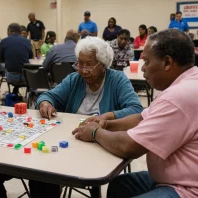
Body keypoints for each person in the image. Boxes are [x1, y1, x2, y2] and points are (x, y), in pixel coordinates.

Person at [73, 29, 198, 198]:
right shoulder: (187, 82)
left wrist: (95, 132)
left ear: (167, 63)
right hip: (178, 176)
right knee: (120, 184)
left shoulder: (178, 97)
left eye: (146, 61)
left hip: (187, 188)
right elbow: (141, 118)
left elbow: (129, 147)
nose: (143, 68)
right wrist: (107, 123)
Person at [37, 36, 142, 120]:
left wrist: (106, 117)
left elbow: (136, 109)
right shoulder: (74, 79)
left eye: (89, 65)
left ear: (103, 64)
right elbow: (48, 96)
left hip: (104, 136)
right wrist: (45, 103)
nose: (83, 70)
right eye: (80, 64)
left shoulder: (117, 80)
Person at [0, 23, 33, 94]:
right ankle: (21, 91)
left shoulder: (3, 41)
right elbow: (30, 57)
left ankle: (15, 90)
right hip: (25, 77)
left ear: (9, 31)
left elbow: (1, 60)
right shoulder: (27, 41)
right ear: (20, 31)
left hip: (11, 77)